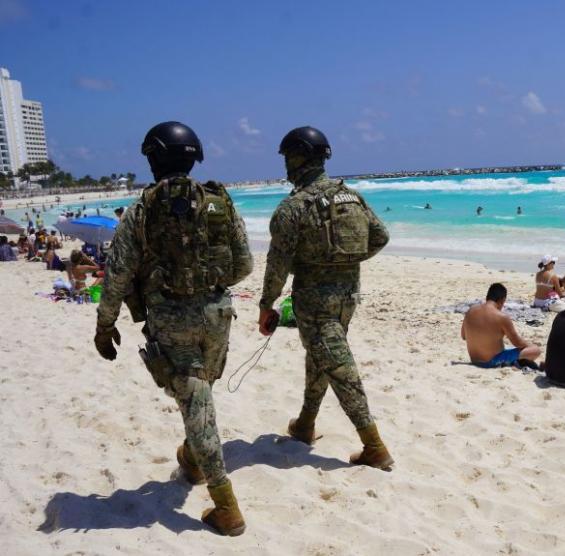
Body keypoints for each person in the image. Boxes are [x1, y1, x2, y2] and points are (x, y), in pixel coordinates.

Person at [94, 121, 253, 536]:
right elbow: (244, 266)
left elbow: (118, 273)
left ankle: (226, 507)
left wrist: (105, 323)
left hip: (170, 318)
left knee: (195, 402)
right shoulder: (219, 201)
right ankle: (192, 459)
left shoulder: (142, 209)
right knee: (199, 395)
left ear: (152, 158)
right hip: (218, 314)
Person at [258, 126, 394, 471]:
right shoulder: (351, 197)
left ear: (298, 158)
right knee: (321, 357)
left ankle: (374, 446)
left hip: (315, 302)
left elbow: (278, 265)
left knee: (339, 368)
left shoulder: (294, 207)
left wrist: (266, 305)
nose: (286, 165)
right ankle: (305, 424)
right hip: (348, 296)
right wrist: (344, 263)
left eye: (288, 157)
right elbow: (380, 236)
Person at [461, 283, 541, 369]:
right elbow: (517, 343)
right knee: (535, 350)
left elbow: (463, 336)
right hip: (491, 362)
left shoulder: (470, 311)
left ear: (487, 297)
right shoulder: (501, 317)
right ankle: (512, 362)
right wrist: (529, 345)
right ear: (502, 300)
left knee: (506, 347)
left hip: (474, 360)